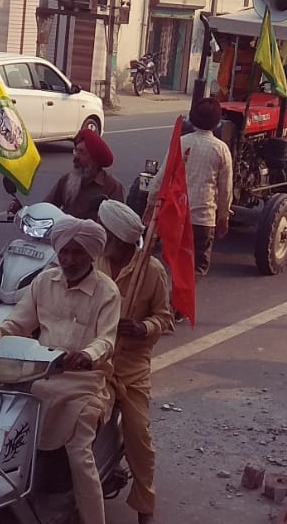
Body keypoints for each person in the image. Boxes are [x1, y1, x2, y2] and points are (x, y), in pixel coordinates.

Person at [0, 218, 121, 524]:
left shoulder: (107, 291)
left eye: (77, 252)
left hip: (86, 384)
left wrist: (87, 355)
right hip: (40, 376)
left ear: (91, 255)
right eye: (64, 252)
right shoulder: (44, 282)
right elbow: (15, 324)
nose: (69, 260)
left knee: (79, 453)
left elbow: (106, 340)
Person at [98, 201, 172, 524]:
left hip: (131, 368)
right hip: (96, 362)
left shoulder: (152, 271)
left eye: (105, 233)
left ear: (119, 239)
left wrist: (143, 328)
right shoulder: (94, 262)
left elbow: (165, 318)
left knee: (139, 436)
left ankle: (145, 506)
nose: (101, 238)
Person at [144, 97, 232, 276]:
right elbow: (225, 191)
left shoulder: (181, 142)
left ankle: (174, 290)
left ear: (192, 118)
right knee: (197, 269)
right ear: (217, 122)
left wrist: (150, 206)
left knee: (174, 264)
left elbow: (161, 178)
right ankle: (181, 292)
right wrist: (223, 218)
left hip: (176, 216)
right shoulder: (221, 149)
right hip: (203, 220)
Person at [14, 128, 124, 218]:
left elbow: (117, 224)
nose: (75, 157)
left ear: (94, 159)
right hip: (64, 236)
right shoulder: (67, 180)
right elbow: (47, 207)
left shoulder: (112, 187)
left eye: (81, 152)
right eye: (76, 151)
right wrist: (25, 211)